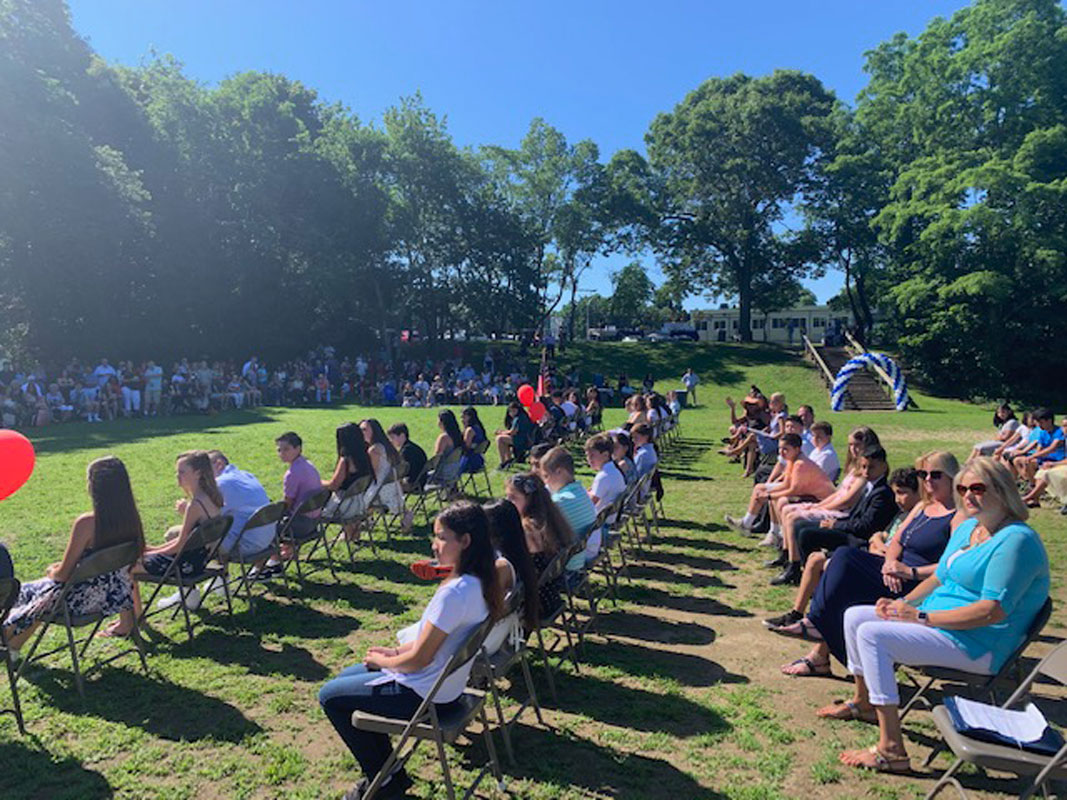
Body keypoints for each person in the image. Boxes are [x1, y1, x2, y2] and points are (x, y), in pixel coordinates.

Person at [821, 457, 1050, 774]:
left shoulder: (1016, 541)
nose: (968, 495)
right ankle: (864, 703)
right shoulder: (971, 526)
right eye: (962, 488)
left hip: (979, 643)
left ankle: (892, 750)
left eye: (977, 488)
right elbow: (940, 577)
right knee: (856, 617)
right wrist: (902, 603)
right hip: (942, 622)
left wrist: (922, 617)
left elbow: (991, 611)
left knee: (874, 636)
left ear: (1002, 489)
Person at [318, 502, 503, 799]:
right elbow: (433, 646)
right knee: (346, 678)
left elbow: (419, 659)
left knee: (329, 696)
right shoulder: (482, 579)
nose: (434, 544)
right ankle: (388, 773)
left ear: (465, 541)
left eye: (442, 537)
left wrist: (384, 660)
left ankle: (382, 779)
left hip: (424, 695)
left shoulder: (455, 592)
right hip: (444, 689)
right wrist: (393, 654)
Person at [773, 453, 960, 677]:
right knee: (842, 559)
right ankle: (821, 643)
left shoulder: (958, 517)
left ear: (952, 477)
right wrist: (890, 562)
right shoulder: (923, 507)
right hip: (891, 571)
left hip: (917, 584)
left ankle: (818, 634)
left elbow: (950, 566)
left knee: (845, 569)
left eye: (935, 474)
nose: (928, 479)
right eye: (923, 474)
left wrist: (909, 571)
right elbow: (897, 540)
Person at [4, 456, 144, 648]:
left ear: (95, 487)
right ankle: (12, 646)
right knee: (43, 596)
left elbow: (62, 576)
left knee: (27, 593)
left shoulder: (87, 524)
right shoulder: (131, 520)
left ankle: (7, 641)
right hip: (112, 597)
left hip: (79, 603)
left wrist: (52, 570)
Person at [158, 450, 273, 611]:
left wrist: (187, 512)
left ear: (218, 464)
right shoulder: (245, 475)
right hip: (266, 539)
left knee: (175, 534)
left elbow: (212, 522)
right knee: (215, 531)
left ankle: (188, 592)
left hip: (244, 544)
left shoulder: (220, 485)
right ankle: (219, 582)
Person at [773, 444, 897, 586]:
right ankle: (798, 569)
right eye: (863, 467)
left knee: (807, 534)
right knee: (800, 526)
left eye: (871, 467)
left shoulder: (882, 493)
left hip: (859, 539)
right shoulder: (869, 486)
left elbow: (866, 526)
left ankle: (815, 579)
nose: (866, 471)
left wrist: (836, 525)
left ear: (883, 466)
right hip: (850, 528)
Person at [127, 451, 223, 622]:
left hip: (186, 566)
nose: (177, 476)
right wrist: (152, 549)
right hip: (200, 561)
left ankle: (135, 618)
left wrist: (149, 554)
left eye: (182, 472)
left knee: (128, 567)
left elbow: (178, 546)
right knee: (139, 557)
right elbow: (182, 542)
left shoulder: (195, 504)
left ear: (198, 473)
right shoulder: (211, 497)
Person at [504, 473, 575, 618]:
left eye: (513, 498)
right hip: (551, 596)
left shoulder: (529, 530)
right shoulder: (551, 519)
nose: (507, 502)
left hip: (535, 603)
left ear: (530, 500)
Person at [482, 499, 539, 652]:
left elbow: (484, 608)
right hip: (507, 630)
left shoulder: (501, 566)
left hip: (488, 640)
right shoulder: (520, 553)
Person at [541, 447, 599, 576]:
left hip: (566, 567)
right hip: (579, 558)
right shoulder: (580, 491)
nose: (545, 482)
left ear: (560, 472)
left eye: (546, 476)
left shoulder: (560, 502)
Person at [360, 418, 405, 516]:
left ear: (374, 431)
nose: (361, 432)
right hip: (393, 488)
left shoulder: (374, 449)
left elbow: (372, 474)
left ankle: (365, 521)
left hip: (381, 492)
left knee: (356, 496)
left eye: (364, 429)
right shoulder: (387, 446)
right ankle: (368, 521)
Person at [388, 423, 427, 490]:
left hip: (413, 484)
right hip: (422, 482)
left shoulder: (406, 451)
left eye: (393, 437)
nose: (391, 441)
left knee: (387, 487)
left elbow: (400, 472)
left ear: (402, 436)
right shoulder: (414, 447)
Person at [495, 402, 535, 468]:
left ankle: (503, 462)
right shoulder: (523, 416)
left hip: (522, 440)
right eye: (510, 411)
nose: (512, 413)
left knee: (499, 439)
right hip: (524, 439)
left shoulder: (519, 418)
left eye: (514, 411)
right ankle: (508, 460)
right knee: (503, 440)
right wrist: (504, 432)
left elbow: (513, 432)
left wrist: (501, 432)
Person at [458, 407, 487, 475]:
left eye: (463, 417)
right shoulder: (478, 427)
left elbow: (465, 448)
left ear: (470, 417)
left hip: (470, 461)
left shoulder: (470, 430)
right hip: (479, 460)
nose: (462, 420)